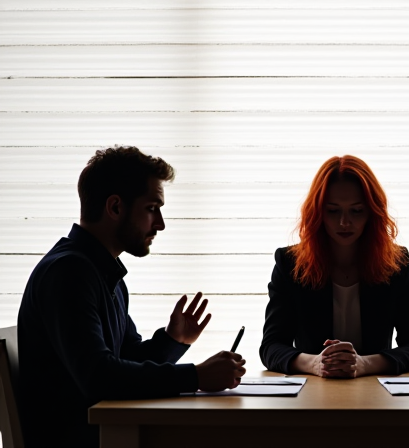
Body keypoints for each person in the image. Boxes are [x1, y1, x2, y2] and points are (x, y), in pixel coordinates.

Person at [18, 147, 246, 448]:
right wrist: (196, 377)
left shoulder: (101, 272)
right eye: (152, 208)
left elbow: (125, 360)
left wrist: (173, 340)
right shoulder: (69, 272)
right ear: (115, 207)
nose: (161, 223)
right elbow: (100, 377)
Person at [260, 155, 409, 378]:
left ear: (372, 212)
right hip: (311, 395)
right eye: (333, 211)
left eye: (356, 211)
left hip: (376, 394)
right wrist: (315, 363)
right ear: (318, 213)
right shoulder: (290, 263)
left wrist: (363, 364)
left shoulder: (396, 263)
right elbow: (271, 347)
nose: (344, 222)